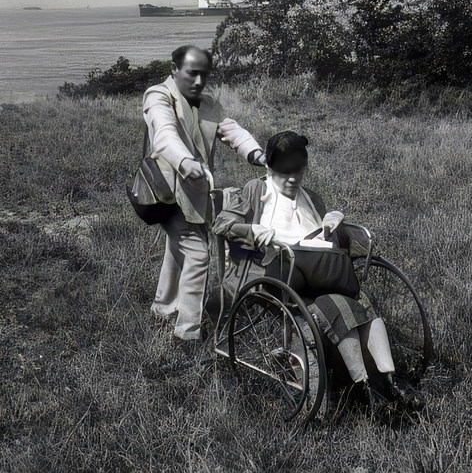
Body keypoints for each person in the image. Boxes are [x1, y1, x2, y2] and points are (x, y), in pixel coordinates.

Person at [212, 130, 406, 406]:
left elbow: (331, 244)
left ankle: (388, 381)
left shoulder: (311, 199)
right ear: (269, 167)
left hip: (315, 274)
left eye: (298, 172)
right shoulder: (255, 191)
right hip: (275, 275)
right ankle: (365, 386)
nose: (292, 179)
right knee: (331, 308)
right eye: (284, 172)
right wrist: (253, 230)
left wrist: (331, 226)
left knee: (354, 308)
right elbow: (222, 224)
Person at [143, 44, 265, 349]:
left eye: (204, 75)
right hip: (164, 190)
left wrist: (258, 154)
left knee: (179, 247)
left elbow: (230, 130)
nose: (198, 81)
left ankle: (162, 308)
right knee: (197, 254)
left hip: (194, 192)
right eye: (191, 73)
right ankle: (188, 333)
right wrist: (184, 161)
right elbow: (164, 133)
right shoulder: (158, 96)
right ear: (174, 69)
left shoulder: (208, 103)